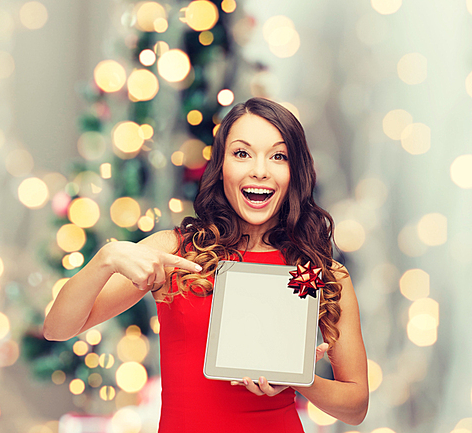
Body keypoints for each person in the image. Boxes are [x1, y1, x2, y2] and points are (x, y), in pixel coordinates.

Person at [44, 97, 368, 432]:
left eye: (279, 156)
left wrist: (298, 378)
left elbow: (356, 407)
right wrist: (106, 259)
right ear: (222, 165)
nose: (260, 170)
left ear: (294, 172)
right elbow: (57, 329)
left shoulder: (319, 272)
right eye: (242, 153)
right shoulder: (175, 252)